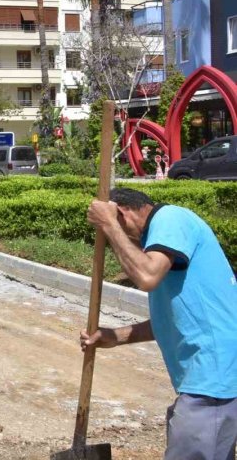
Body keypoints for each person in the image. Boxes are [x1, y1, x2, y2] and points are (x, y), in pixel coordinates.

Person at [83, 187, 237, 460]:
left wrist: (108, 225)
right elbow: (174, 321)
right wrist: (115, 336)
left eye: (116, 230)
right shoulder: (168, 240)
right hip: (209, 377)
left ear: (122, 213)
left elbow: (146, 276)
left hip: (213, 377)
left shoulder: (170, 219)